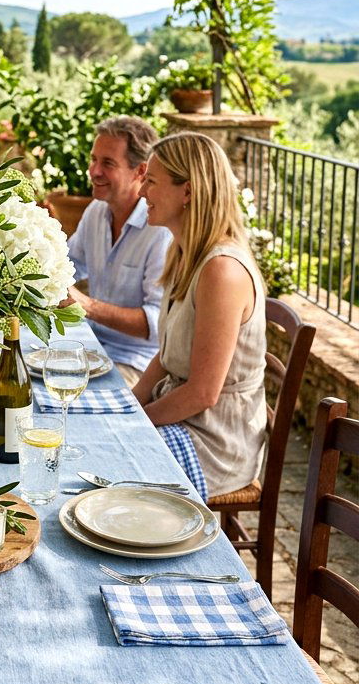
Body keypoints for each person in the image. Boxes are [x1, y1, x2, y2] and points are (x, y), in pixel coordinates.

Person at [132, 131, 267, 500]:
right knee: (98, 444)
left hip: (215, 440)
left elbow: (203, 393)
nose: (141, 192)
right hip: (186, 419)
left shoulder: (221, 271)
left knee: (114, 466)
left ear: (188, 192)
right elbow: (166, 356)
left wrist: (136, 424)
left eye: (151, 181)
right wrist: (129, 407)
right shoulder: (183, 254)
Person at [65, 116, 172, 388]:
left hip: (136, 365)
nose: (94, 171)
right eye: (93, 159)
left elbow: (157, 323)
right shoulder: (96, 211)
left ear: (141, 171)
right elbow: (68, 266)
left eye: (108, 163)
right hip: (90, 347)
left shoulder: (161, 231)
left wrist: (87, 306)